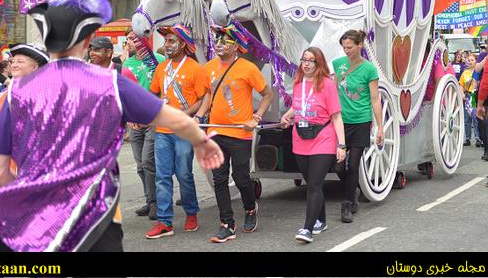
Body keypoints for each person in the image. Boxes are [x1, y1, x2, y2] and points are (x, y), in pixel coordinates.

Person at [0, 0, 223, 252]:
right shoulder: (110, 84)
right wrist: (201, 141)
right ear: (88, 39)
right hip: (96, 226)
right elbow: (175, 119)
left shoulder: (15, 95)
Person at [203, 25, 273, 243]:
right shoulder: (208, 67)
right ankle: (227, 224)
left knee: (241, 178)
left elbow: (267, 94)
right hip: (215, 132)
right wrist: (198, 116)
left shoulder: (248, 68)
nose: (220, 44)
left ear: (236, 46)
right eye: (217, 40)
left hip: (240, 133)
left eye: (225, 41)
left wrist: (256, 117)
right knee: (219, 179)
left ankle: (250, 209)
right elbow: (208, 96)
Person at [146, 24, 209, 239]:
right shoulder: (161, 68)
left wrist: (188, 113)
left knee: (183, 174)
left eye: (172, 41)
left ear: (183, 44)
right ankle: (165, 222)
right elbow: (154, 94)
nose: (168, 45)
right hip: (162, 130)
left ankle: (191, 212)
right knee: (162, 176)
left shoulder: (196, 69)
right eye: (166, 41)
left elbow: (203, 98)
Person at [280, 47, 346, 243]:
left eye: (311, 60)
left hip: (323, 138)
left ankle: (307, 229)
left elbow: (336, 116)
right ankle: (322, 220)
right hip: (300, 137)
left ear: (319, 63)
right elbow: (297, 105)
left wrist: (341, 145)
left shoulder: (327, 84)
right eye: (304, 60)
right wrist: (288, 115)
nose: (306, 64)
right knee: (311, 183)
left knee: (315, 185)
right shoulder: (298, 83)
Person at [0, 43, 50, 192]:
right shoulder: (8, 93)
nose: (14, 64)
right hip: (2, 171)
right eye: (12, 61)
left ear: (34, 68)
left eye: (20, 61)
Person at [333, 30, 383, 223]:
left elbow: (374, 99)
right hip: (341, 121)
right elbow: (333, 92)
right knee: (338, 166)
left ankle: (347, 204)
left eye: (350, 47)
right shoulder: (338, 64)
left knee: (353, 164)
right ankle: (351, 189)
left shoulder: (369, 69)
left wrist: (380, 127)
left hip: (361, 120)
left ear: (360, 45)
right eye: (344, 47)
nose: (346, 51)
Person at [123, 31, 165, 220]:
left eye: (132, 40)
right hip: (134, 121)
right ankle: (149, 201)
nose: (129, 43)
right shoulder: (128, 64)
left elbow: (164, 89)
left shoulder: (158, 60)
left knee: (149, 163)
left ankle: (157, 203)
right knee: (140, 165)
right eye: (128, 40)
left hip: (153, 120)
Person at [459, 54, 480, 147]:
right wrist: (462, 93)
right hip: (467, 96)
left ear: (476, 61)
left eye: (472, 60)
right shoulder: (465, 73)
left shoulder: (478, 72)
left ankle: (478, 138)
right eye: (469, 60)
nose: (471, 62)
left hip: (474, 96)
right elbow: (461, 85)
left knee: (475, 117)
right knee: (467, 118)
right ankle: (467, 138)